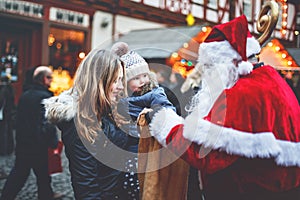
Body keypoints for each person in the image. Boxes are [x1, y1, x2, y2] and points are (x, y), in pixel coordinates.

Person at [144, 15, 300, 200]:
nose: (208, 75)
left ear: (230, 63)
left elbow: (207, 155)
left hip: (250, 191)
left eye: (211, 66)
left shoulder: (240, 93)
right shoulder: (270, 78)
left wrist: (164, 122)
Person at [43, 49, 133, 199]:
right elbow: (87, 188)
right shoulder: (79, 123)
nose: (121, 86)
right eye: (115, 80)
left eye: (121, 80)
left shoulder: (110, 107)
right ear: (98, 80)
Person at [112, 42, 190, 200]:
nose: (143, 81)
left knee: (140, 182)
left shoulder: (155, 93)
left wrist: (154, 114)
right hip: (128, 147)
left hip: (144, 146)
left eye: (145, 76)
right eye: (136, 78)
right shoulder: (122, 97)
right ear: (126, 81)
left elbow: (168, 111)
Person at [0, 66, 61, 200]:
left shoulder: (25, 95)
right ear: (44, 79)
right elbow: (47, 124)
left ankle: (6, 196)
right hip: (38, 145)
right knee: (41, 175)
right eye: (50, 77)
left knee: (22, 174)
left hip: (24, 143)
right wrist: (53, 142)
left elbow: (18, 120)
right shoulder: (46, 97)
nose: (52, 80)